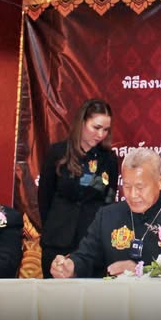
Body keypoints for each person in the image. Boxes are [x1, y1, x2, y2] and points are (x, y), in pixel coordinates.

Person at [50, 147, 161, 278]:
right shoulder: (107, 216)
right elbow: (86, 257)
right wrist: (71, 266)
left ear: (160, 182)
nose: (132, 195)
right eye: (126, 186)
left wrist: (143, 272)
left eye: (140, 187)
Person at [37, 99, 119, 278]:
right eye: (96, 127)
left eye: (106, 129)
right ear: (82, 122)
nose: (101, 134)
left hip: (90, 243)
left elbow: (109, 199)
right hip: (57, 239)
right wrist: (52, 228)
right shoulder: (57, 152)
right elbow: (44, 197)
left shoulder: (109, 159)